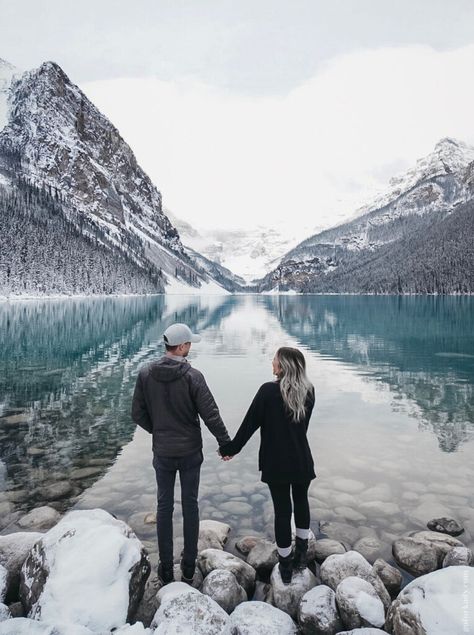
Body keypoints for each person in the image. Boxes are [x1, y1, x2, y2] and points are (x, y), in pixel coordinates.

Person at [131, 322, 231, 586]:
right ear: (182, 346)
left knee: (164, 507)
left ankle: (165, 568)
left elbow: (137, 414)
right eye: (189, 344)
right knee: (190, 506)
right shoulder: (193, 376)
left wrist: (159, 430)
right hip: (189, 453)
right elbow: (211, 414)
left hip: (162, 452)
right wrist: (226, 444)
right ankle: (188, 567)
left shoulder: (144, 374)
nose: (190, 347)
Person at [219, 347, 316, 584]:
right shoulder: (309, 392)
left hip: (277, 463)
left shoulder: (268, 392)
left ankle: (285, 564)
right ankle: (302, 555)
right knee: (301, 502)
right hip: (302, 458)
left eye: (274, 359)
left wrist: (230, 449)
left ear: (282, 366)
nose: (271, 362)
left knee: (283, 512)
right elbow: (303, 428)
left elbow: (249, 424)